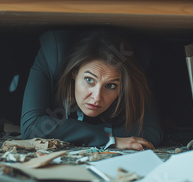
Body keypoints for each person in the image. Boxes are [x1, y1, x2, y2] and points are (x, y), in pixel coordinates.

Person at [20, 30, 163, 150]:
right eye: (89, 80)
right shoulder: (53, 55)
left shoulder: (135, 69)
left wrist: (68, 131)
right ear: (74, 72)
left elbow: (150, 133)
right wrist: (110, 139)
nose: (97, 97)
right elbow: (32, 127)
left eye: (111, 86)